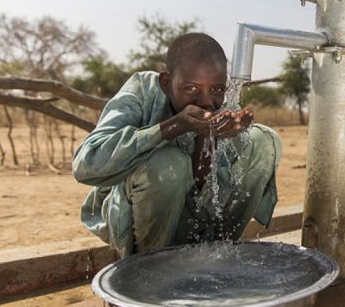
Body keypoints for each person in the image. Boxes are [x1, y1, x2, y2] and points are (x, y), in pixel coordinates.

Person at [73, 32, 281, 257]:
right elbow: (86, 164)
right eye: (191, 88)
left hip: (188, 215)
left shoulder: (219, 106)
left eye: (217, 89)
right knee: (169, 162)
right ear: (166, 82)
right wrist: (173, 126)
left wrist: (215, 137)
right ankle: (147, 270)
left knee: (262, 140)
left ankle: (217, 256)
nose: (206, 101)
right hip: (132, 215)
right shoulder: (142, 91)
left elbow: (201, 186)